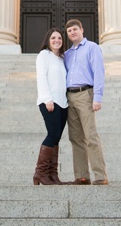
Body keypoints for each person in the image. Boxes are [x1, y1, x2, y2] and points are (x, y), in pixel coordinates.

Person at [64, 19, 108, 185]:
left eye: (75, 29)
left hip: (85, 94)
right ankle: (82, 176)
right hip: (70, 97)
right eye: (69, 31)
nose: (72, 32)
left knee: (90, 136)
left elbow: (99, 72)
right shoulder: (67, 54)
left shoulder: (92, 47)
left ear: (82, 29)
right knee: (76, 138)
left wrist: (97, 97)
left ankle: (100, 176)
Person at [33, 27, 68, 185]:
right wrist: (47, 99)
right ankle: (40, 173)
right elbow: (41, 77)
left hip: (62, 103)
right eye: (53, 38)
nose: (57, 41)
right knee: (52, 135)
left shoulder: (61, 58)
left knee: (57, 139)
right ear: (48, 40)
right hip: (49, 102)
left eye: (59, 38)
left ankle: (53, 175)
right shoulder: (44, 55)